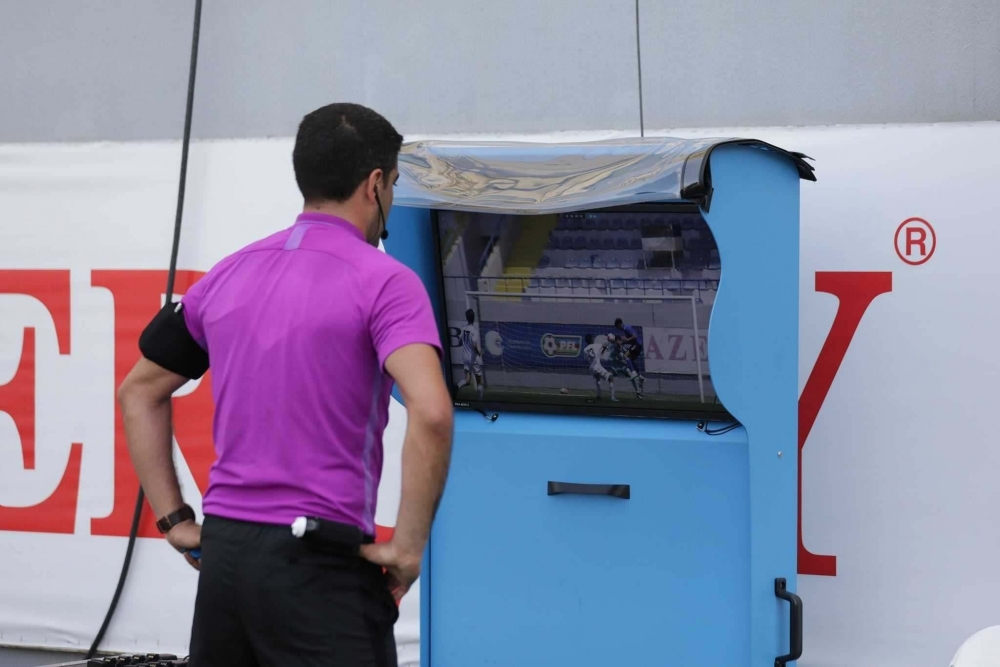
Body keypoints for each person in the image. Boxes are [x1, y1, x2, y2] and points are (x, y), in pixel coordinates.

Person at [117, 102, 454, 667]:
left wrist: (175, 521)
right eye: (394, 184)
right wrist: (408, 546)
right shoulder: (386, 282)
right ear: (375, 184)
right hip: (321, 566)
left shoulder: (226, 274)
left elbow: (138, 391)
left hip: (225, 563)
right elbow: (433, 412)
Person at [455, 308, 484, 399]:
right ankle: (480, 399)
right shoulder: (474, 331)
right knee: (479, 380)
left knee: (467, 380)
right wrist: (479, 352)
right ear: (473, 318)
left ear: (467, 318)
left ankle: (457, 387)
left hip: (465, 357)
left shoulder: (463, 329)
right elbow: (474, 345)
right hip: (473, 358)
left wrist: (465, 343)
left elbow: (459, 342)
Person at [583, 333, 616, 401]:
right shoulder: (596, 345)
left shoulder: (585, 350)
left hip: (592, 369)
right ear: (592, 339)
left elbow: (586, 361)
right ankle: (612, 397)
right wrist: (609, 340)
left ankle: (599, 395)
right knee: (611, 378)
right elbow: (604, 345)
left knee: (597, 379)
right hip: (597, 367)